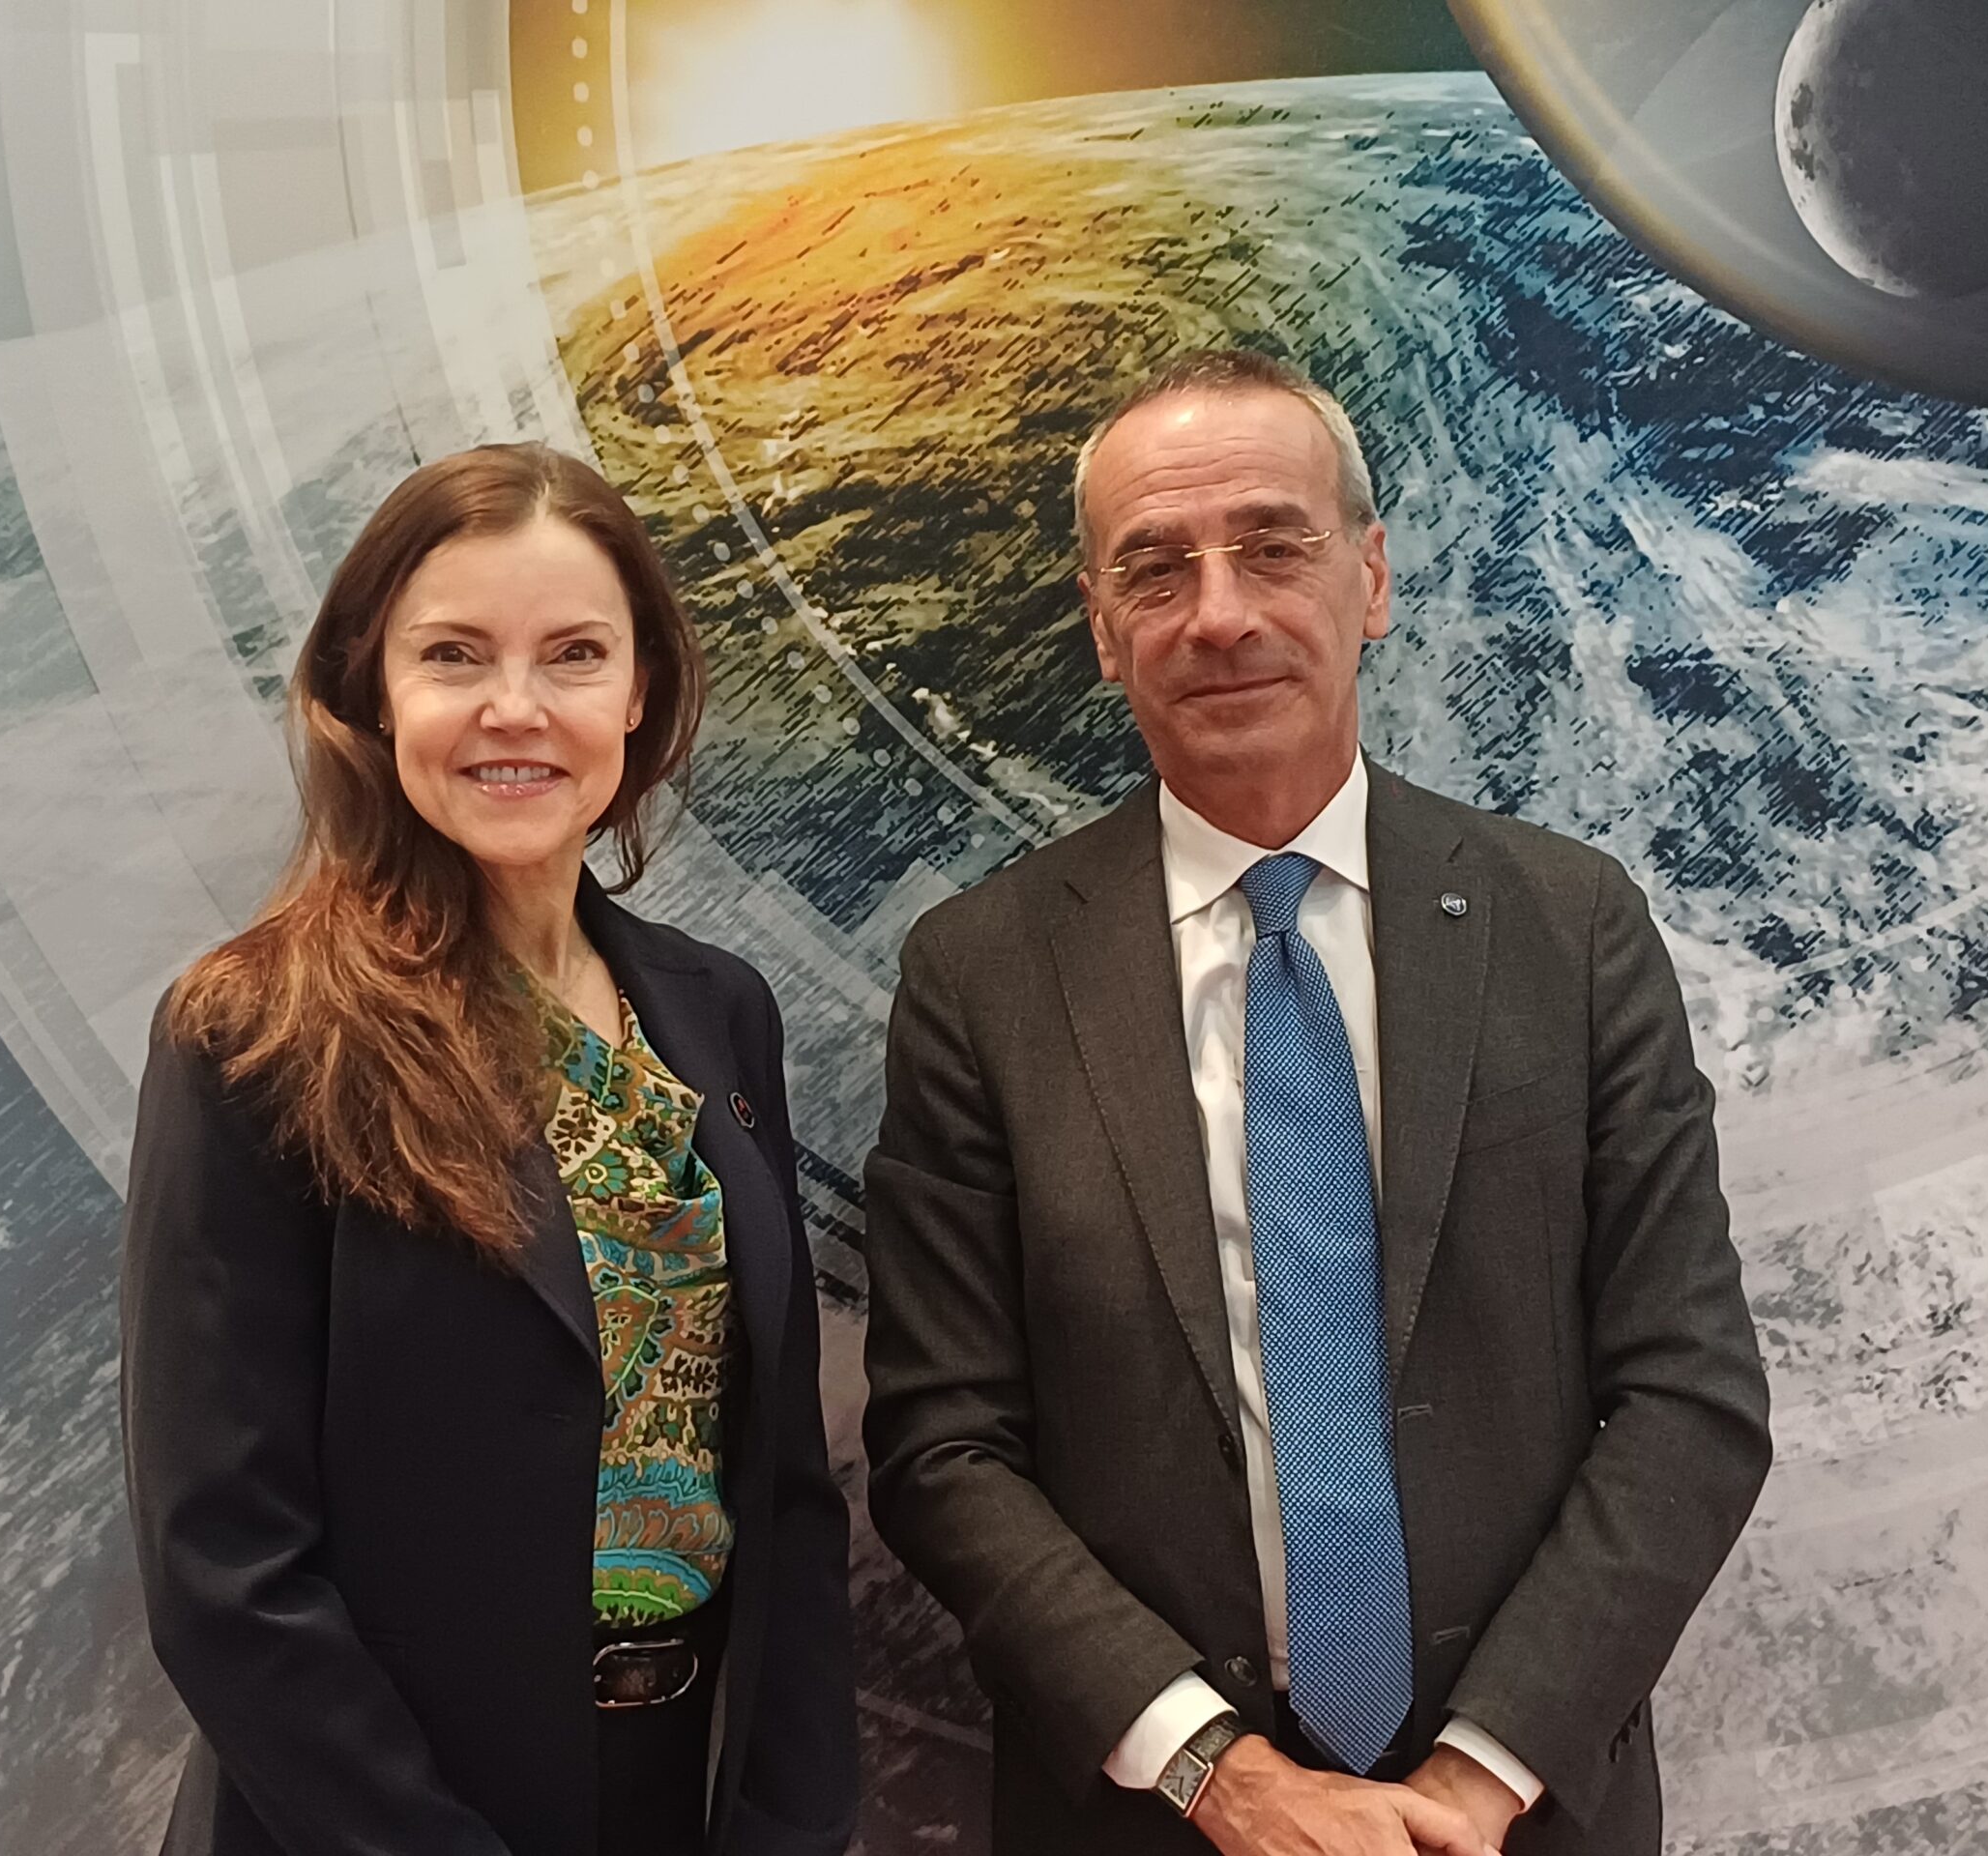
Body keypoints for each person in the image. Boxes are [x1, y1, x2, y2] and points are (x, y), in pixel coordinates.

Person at [859, 349, 1770, 1856]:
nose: (1219, 612)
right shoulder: (981, 975)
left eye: (1274, 547)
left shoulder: (1571, 926)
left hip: (1522, 1814)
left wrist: (1475, 1782)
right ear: (1102, 627)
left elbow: (1692, 1394)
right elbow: (944, 1441)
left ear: (1371, 577)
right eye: (1156, 569)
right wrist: (1222, 1777)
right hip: (1153, 1819)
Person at [121, 443, 858, 1856]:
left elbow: (781, 1495)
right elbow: (225, 1570)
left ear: (638, 693)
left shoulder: (719, 1013)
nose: (515, 708)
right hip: (382, 1820)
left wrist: (791, 1822)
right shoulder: (257, 1038)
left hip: (686, 1795)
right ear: (371, 690)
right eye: (453, 654)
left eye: (574, 654)